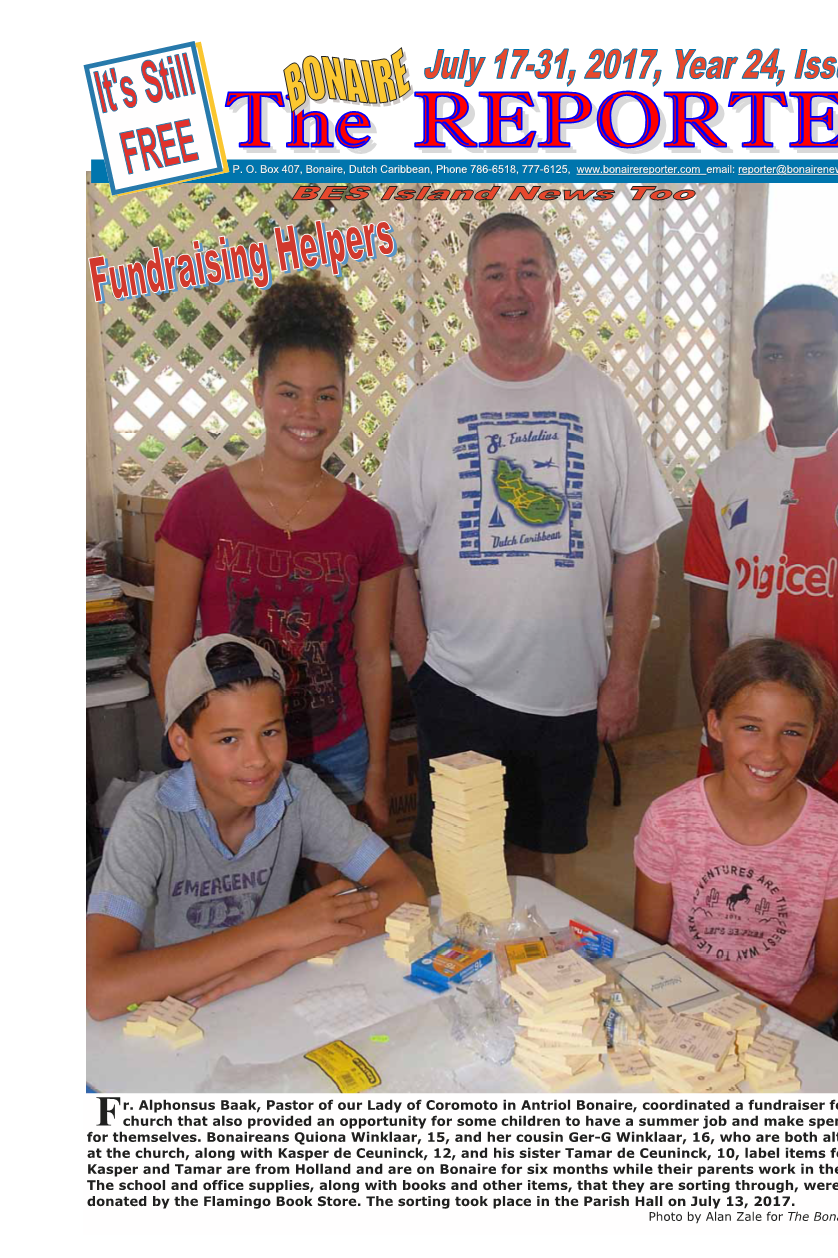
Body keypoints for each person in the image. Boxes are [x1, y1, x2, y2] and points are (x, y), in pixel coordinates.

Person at [379, 213, 678, 879]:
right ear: (469, 294)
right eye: (494, 273)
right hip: (458, 684)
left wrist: (623, 674)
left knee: (534, 867)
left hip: (568, 690)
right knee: (463, 869)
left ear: (555, 287)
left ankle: (529, 985)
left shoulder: (601, 401)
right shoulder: (432, 409)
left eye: (528, 271)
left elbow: (639, 550)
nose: (512, 289)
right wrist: (419, 665)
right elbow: (390, 553)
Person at [684, 284, 838, 868]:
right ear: (754, 364)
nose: (792, 372)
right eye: (775, 354)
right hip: (735, 744)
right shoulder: (723, 478)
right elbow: (705, 626)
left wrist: (816, 750)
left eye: (814, 353)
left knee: (828, 902)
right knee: (721, 892)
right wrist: (721, 735)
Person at [152, 274, 401, 833]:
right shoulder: (198, 506)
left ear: (344, 400)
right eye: (289, 392)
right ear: (259, 393)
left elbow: (370, 661)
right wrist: (196, 753)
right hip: (229, 757)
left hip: (340, 753)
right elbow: (167, 652)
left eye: (326, 395)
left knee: (342, 914)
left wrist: (378, 774)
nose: (307, 412)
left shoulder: (372, 524)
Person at [86, 637, 425, 1020]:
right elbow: (100, 991)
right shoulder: (148, 819)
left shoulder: (298, 791)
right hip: (170, 1007)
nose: (258, 760)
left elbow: (407, 893)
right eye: (228, 739)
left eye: (270, 732)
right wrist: (276, 930)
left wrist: (285, 953)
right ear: (182, 743)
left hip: (266, 996)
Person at [634, 638, 838, 1027]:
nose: (769, 753)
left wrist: (761, 1032)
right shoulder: (668, 820)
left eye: (792, 733)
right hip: (682, 1010)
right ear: (715, 724)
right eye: (750, 727)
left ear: (814, 736)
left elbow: (831, 977)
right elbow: (648, 947)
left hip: (788, 1022)